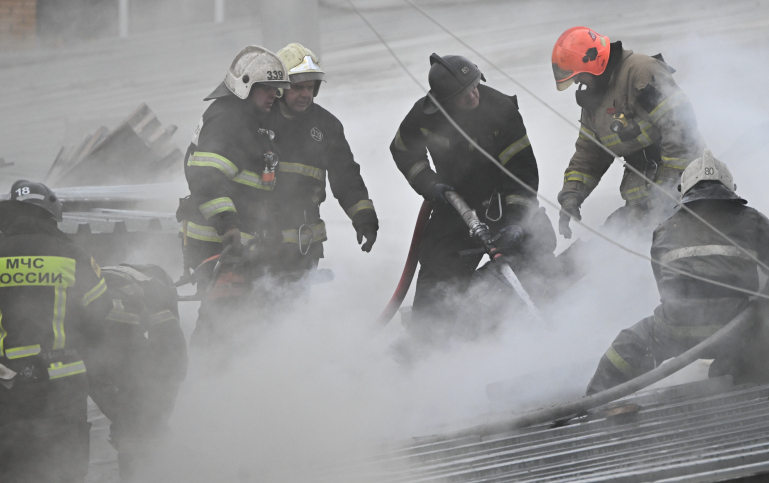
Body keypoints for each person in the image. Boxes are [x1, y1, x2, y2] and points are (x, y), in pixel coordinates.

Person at [585, 150, 769, 395]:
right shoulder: (753, 220)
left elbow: (665, 291)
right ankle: (738, 375)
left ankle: (591, 403)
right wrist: (758, 313)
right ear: (730, 187)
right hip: (736, 329)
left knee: (627, 345)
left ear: (684, 191)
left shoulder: (664, 229)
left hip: (676, 327)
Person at [389, 53, 555, 347]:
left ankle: (540, 335)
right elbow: (403, 150)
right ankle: (423, 352)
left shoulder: (500, 110)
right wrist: (430, 183)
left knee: (538, 251)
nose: (473, 94)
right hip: (454, 208)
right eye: (463, 93)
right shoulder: (425, 116)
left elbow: (523, 174)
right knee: (436, 280)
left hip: (503, 206)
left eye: (475, 85)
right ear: (443, 100)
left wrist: (516, 223)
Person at [0, 180, 111, 482]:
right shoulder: (73, 256)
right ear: (50, 215)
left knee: (10, 462)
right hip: (63, 383)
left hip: (8, 384)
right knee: (65, 463)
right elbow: (99, 309)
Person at [177, 45, 291, 346]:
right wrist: (229, 226)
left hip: (236, 244)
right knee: (222, 321)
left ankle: (229, 380)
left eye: (276, 90)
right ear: (244, 86)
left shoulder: (251, 122)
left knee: (241, 321)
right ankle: (207, 379)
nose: (273, 96)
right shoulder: (229, 121)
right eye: (266, 89)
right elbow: (206, 178)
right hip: (218, 243)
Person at [552, 26, 707, 238]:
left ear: (594, 61)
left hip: (687, 191)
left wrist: (669, 190)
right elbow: (589, 153)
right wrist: (571, 195)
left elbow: (680, 130)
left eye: (578, 75)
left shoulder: (641, 73)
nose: (577, 82)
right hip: (644, 199)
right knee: (609, 244)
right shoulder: (593, 101)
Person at [264, 42, 378, 274]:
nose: (306, 94)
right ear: (279, 88)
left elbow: (346, 177)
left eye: (310, 87)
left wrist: (363, 215)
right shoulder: (261, 120)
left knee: (297, 307)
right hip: (262, 240)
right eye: (298, 88)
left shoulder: (327, 126)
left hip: (304, 244)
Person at [84, 263, 187, 482]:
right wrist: (130, 419)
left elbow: (94, 377)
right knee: (136, 429)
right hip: (108, 324)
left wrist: (122, 417)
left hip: (93, 318)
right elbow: (173, 361)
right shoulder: (156, 293)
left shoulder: (143, 287)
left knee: (135, 422)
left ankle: (136, 441)